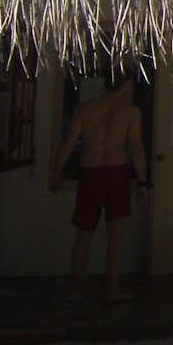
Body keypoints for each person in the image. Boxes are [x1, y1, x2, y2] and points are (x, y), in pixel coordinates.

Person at [49, 75, 149, 300]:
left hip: (91, 172)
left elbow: (68, 143)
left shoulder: (87, 109)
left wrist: (57, 172)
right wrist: (142, 181)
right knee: (115, 235)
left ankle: (78, 288)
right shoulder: (130, 112)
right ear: (126, 84)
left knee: (84, 234)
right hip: (116, 173)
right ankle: (111, 289)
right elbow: (136, 148)